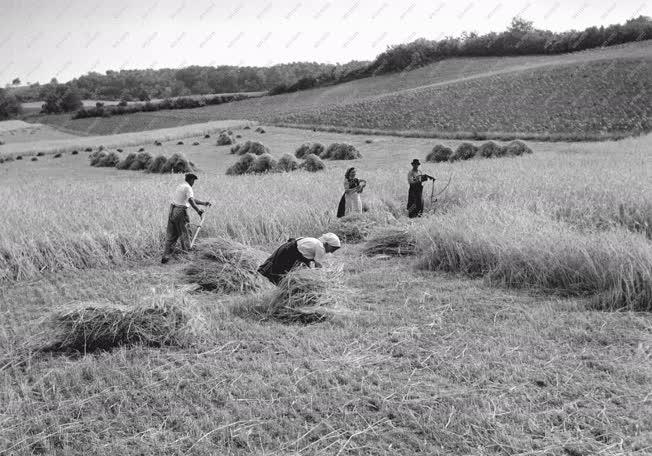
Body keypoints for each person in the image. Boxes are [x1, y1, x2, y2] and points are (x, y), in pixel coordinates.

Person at [161, 173, 211, 264]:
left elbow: (190, 199)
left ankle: (165, 256)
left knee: (172, 235)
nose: (194, 183)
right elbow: (191, 200)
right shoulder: (188, 188)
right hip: (181, 212)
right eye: (193, 181)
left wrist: (203, 203)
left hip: (173, 210)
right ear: (191, 180)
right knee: (186, 234)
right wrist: (198, 211)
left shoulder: (181, 186)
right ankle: (188, 257)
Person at [257, 233, 341, 285]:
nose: (332, 252)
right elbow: (317, 265)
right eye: (333, 248)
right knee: (280, 272)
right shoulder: (320, 247)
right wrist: (323, 278)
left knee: (297, 276)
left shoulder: (316, 242)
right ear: (326, 243)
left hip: (290, 250)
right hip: (289, 252)